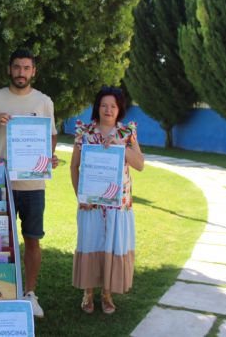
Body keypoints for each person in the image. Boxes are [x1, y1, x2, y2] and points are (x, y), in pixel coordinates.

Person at [0, 49, 58, 319]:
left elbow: (51, 136)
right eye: (17, 67)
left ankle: (30, 294)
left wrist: (48, 158)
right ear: (10, 69)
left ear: (34, 71)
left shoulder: (44, 102)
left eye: (26, 68)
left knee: (33, 240)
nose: (21, 72)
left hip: (33, 186)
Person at [69, 86, 144, 315]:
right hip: (90, 203)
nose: (108, 110)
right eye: (104, 105)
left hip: (118, 204)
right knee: (90, 244)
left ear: (119, 108)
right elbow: (74, 166)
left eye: (113, 105)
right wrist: (80, 196)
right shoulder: (85, 132)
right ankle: (88, 292)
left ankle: (107, 293)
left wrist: (121, 146)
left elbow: (139, 164)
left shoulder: (126, 133)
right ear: (97, 107)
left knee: (112, 246)